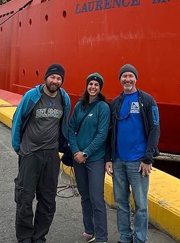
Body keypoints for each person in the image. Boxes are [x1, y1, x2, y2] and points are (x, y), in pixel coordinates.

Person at [11, 63, 71, 243]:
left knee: (48, 199)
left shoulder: (64, 98)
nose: (55, 81)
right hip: (30, 153)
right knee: (25, 197)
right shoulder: (32, 96)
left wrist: (65, 145)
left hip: (51, 154)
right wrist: (17, 147)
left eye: (59, 78)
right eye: (52, 77)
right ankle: (24, 237)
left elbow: (65, 122)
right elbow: (17, 120)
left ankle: (39, 236)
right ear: (46, 78)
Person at [105, 64, 160, 243]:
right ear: (120, 79)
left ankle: (139, 239)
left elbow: (155, 129)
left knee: (141, 205)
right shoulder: (115, 103)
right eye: (124, 76)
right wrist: (109, 159)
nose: (127, 79)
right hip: (119, 161)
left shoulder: (148, 100)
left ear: (136, 78)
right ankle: (126, 237)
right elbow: (110, 132)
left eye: (130, 76)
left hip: (138, 162)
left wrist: (148, 158)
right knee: (121, 204)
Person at [68, 73, 110, 243]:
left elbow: (102, 134)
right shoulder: (79, 106)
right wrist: (76, 151)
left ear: (100, 88)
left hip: (95, 159)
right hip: (78, 159)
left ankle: (101, 236)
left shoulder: (103, 108)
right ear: (86, 86)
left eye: (96, 85)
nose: (93, 87)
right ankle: (89, 229)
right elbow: (70, 129)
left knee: (96, 198)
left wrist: (86, 153)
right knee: (84, 196)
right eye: (90, 84)